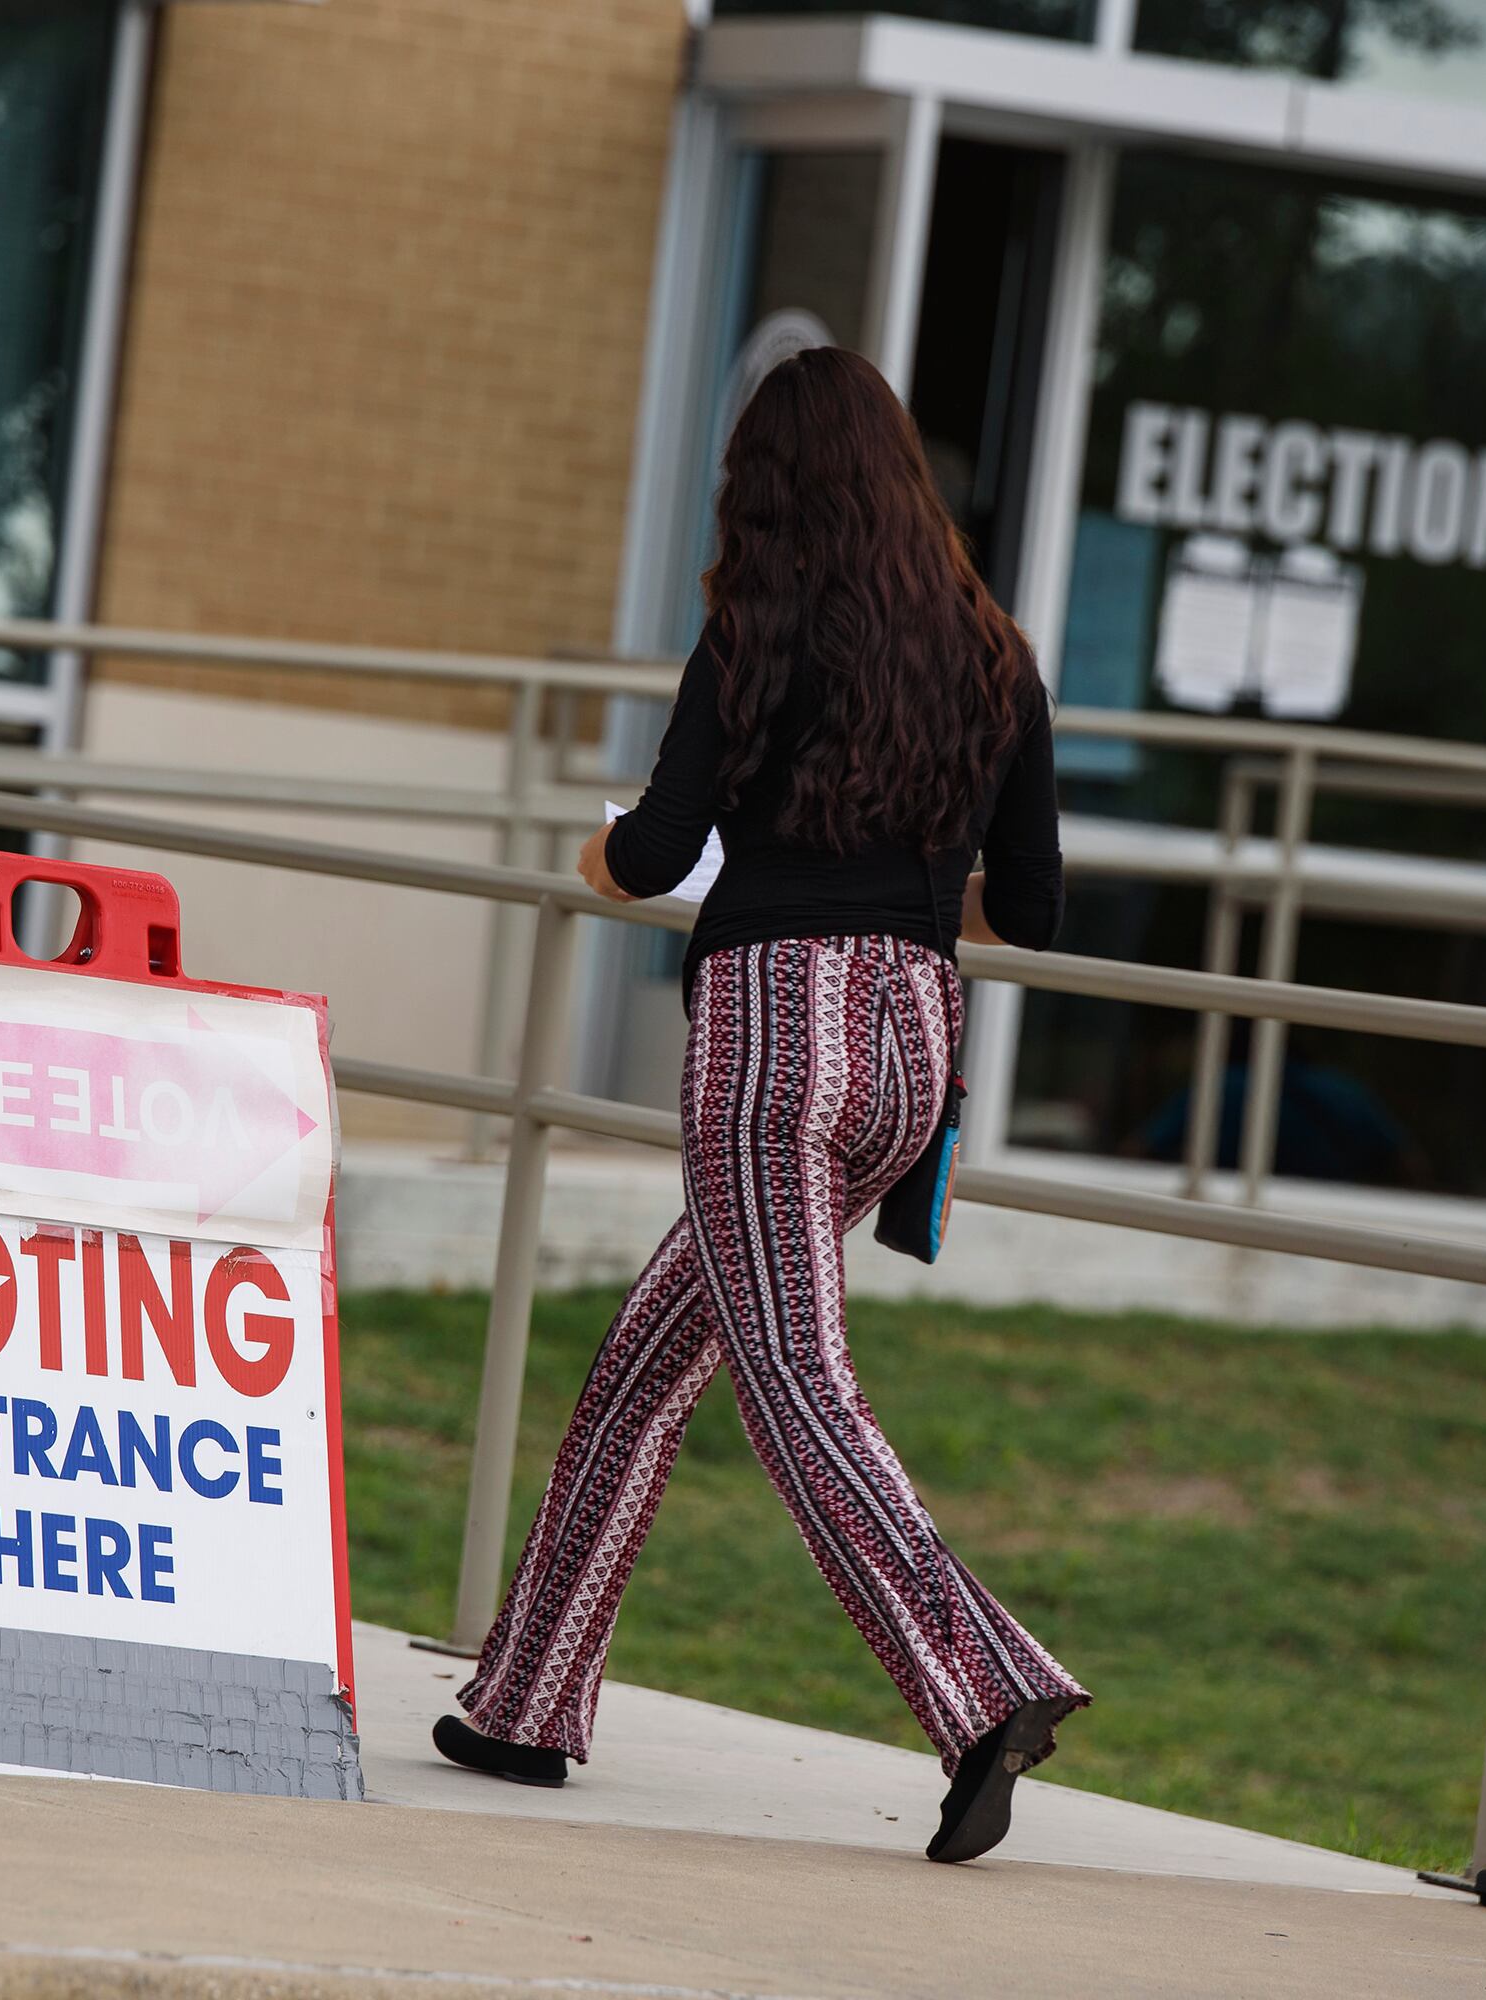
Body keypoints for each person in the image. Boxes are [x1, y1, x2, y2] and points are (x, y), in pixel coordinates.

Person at [431, 344, 1086, 1865]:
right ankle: (525, 1703)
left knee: (796, 1383)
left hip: (774, 1042)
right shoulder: (995, 653)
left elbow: (657, 854)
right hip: (913, 1044)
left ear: (767, 488)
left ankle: (981, 1688)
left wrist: (593, 862)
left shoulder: (758, 631)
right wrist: (904, 896)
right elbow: (1037, 907)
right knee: (650, 1360)